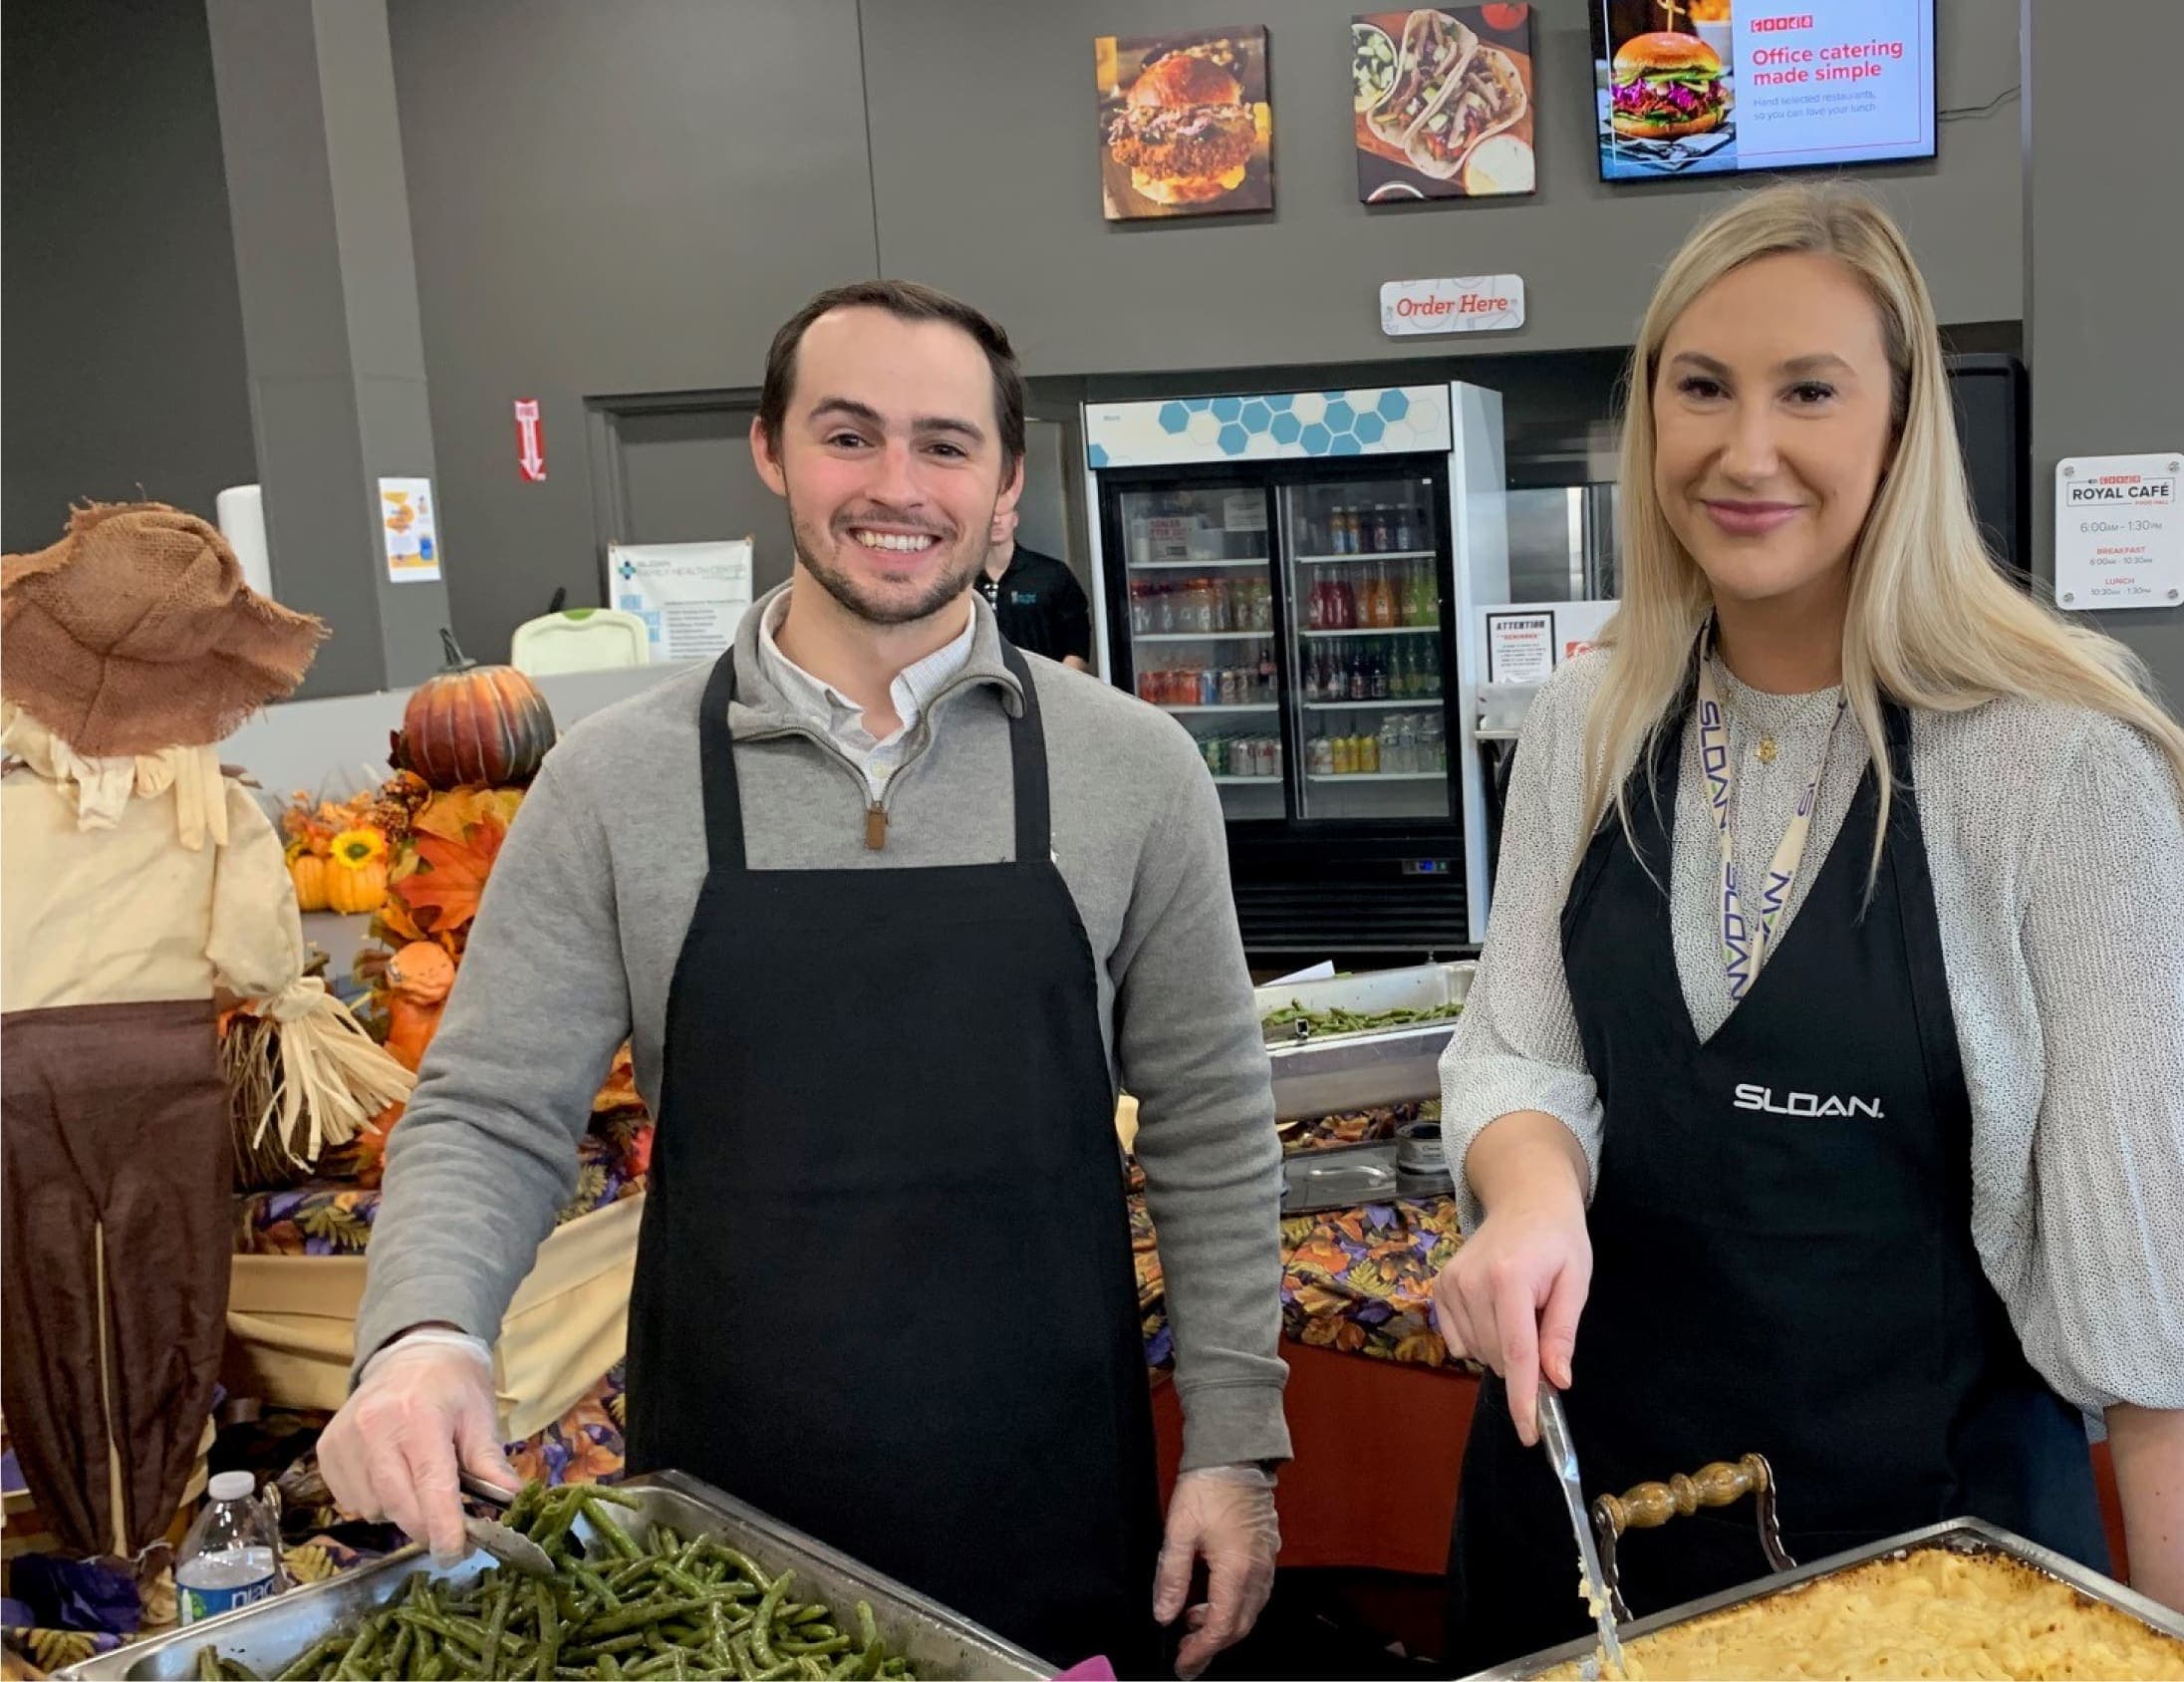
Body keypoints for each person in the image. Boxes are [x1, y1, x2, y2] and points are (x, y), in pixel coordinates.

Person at [323, 281, 1285, 1678]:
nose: (898, 486)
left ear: (1007, 486)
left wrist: (1237, 1448)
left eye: (946, 445)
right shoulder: (613, 781)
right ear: (770, 451)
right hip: (728, 1534)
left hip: (1053, 1488)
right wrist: (423, 1334)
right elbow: (491, 1110)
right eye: (850, 436)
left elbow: (1210, 1125)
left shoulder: (1134, 769)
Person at [1432, 184, 2184, 1667]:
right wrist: (1534, 1190)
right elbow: (1516, 1051)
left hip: (1930, 1556)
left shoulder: (2058, 766)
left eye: (1807, 391)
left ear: (1897, 427)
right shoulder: (1587, 724)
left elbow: (2143, 1265)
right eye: (1700, 389)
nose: (1744, 451)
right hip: (1586, 1529)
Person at [3, 503, 411, 1571]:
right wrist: (286, 1007)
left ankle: (76, 1523)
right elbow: (258, 955)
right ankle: (152, 1524)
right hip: (162, 1070)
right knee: (166, 1283)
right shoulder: (207, 798)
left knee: (34, 1288)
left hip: (11, 1073)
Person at [975, 499, 1095, 668]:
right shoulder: (962, 582)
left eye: (1003, 513)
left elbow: (1078, 642)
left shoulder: (1051, 574)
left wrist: (1056, 685)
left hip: (1045, 686)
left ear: (1015, 519)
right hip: (982, 687)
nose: (996, 520)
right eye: (990, 513)